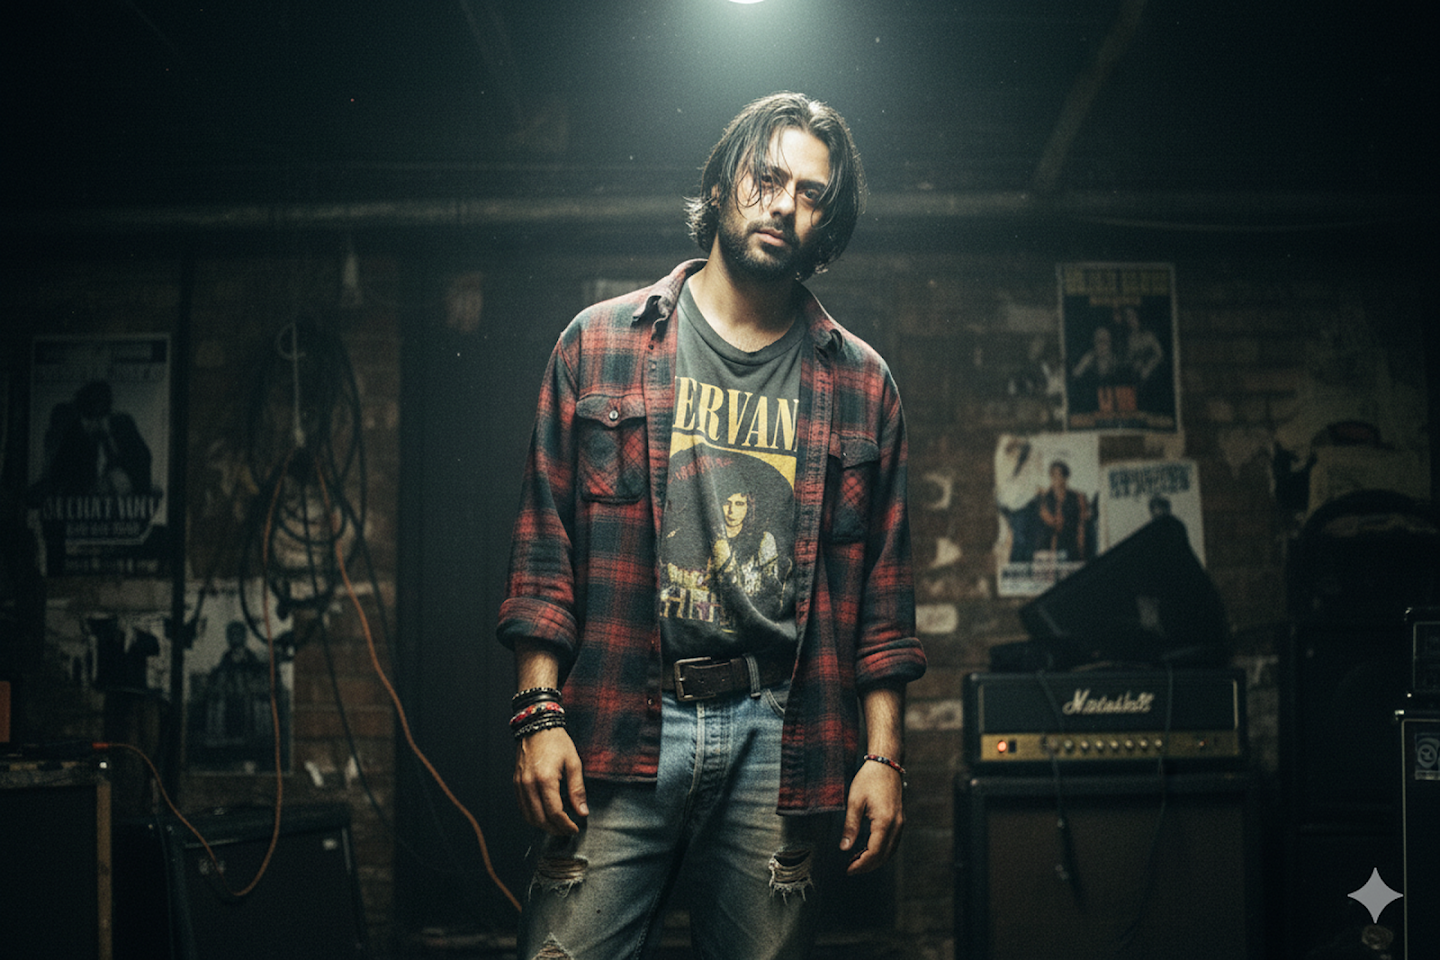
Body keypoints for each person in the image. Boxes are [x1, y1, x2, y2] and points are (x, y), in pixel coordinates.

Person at [497, 92, 926, 960]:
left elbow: (885, 596)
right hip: (622, 719)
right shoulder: (599, 345)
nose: (782, 204)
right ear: (726, 180)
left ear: (827, 221)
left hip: (780, 731)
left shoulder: (862, 385)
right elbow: (546, 551)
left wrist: (883, 758)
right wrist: (539, 715)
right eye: (767, 178)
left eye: (810, 193)